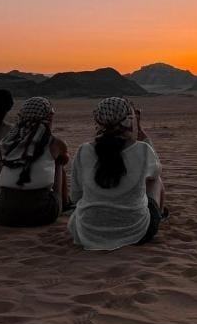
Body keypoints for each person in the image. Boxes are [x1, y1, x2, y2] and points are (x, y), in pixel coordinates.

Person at [69, 97, 165, 250]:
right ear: (130, 121)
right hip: (136, 232)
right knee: (156, 180)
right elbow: (155, 170)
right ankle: (159, 215)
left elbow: (75, 197)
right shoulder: (143, 150)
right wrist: (139, 130)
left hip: (87, 234)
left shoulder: (84, 151)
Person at [0, 96, 69, 227]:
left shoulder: (7, 142)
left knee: (4, 161)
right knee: (59, 162)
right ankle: (65, 203)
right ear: (49, 117)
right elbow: (65, 159)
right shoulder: (55, 143)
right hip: (42, 214)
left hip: (3, 214)